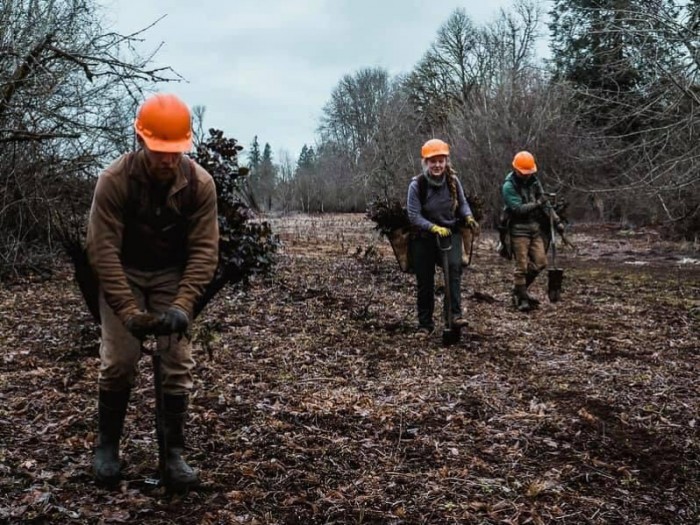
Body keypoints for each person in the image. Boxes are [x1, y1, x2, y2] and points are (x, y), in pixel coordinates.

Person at [86, 93, 219, 488]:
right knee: (119, 360)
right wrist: (127, 311)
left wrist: (183, 305)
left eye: (175, 151)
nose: (167, 159)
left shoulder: (200, 185)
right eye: (159, 150)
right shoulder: (114, 181)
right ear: (141, 141)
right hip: (123, 271)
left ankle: (173, 454)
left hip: (171, 274)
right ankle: (107, 446)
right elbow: (102, 250)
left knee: (177, 361)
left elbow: (204, 251)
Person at [407, 138, 479, 336]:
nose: (437, 165)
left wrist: (468, 216)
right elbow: (413, 215)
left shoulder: (453, 181)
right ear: (426, 163)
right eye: (433, 161)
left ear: (446, 161)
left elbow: (462, 204)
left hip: (449, 234)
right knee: (425, 281)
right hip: (423, 237)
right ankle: (425, 324)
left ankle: (454, 316)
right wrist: (433, 227)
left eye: (441, 161)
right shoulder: (417, 185)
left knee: (454, 271)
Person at [501, 150, 564, 312]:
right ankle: (522, 298)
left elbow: (545, 203)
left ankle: (518, 290)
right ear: (516, 170)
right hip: (518, 231)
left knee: (540, 262)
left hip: (535, 229)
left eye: (529, 172)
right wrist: (538, 203)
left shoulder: (534, 181)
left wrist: (556, 220)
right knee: (521, 267)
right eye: (524, 173)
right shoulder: (508, 186)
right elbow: (518, 209)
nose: (527, 175)